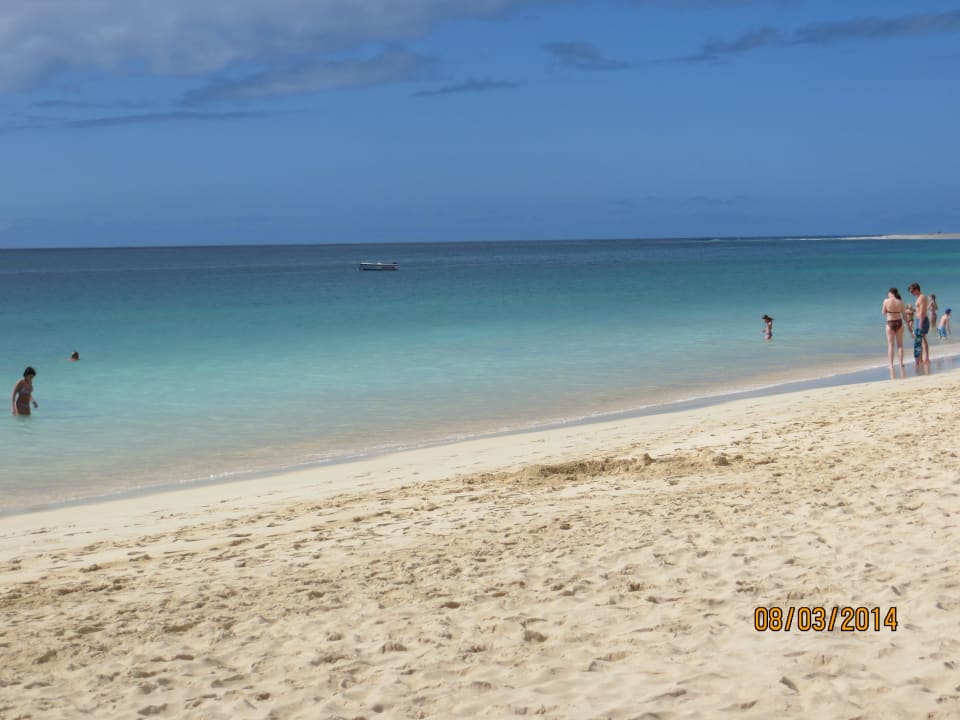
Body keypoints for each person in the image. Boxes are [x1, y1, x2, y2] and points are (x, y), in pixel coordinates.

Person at [882, 288, 906, 370]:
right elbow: (904, 315)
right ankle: (901, 364)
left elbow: (883, 312)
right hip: (899, 322)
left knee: (891, 345)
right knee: (900, 345)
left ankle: (891, 365)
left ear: (891, 293)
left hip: (890, 322)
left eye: (888, 293)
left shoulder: (886, 301)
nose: (887, 295)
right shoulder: (900, 301)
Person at [908, 282, 930, 364]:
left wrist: (920, 324)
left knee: (921, 340)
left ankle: (926, 358)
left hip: (922, 320)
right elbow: (919, 310)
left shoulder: (922, 297)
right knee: (920, 340)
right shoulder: (918, 298)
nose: (911, 293)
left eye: (912, 291)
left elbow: (923, 311)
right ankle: (921, 359)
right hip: (919, 320)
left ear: (916, 289)